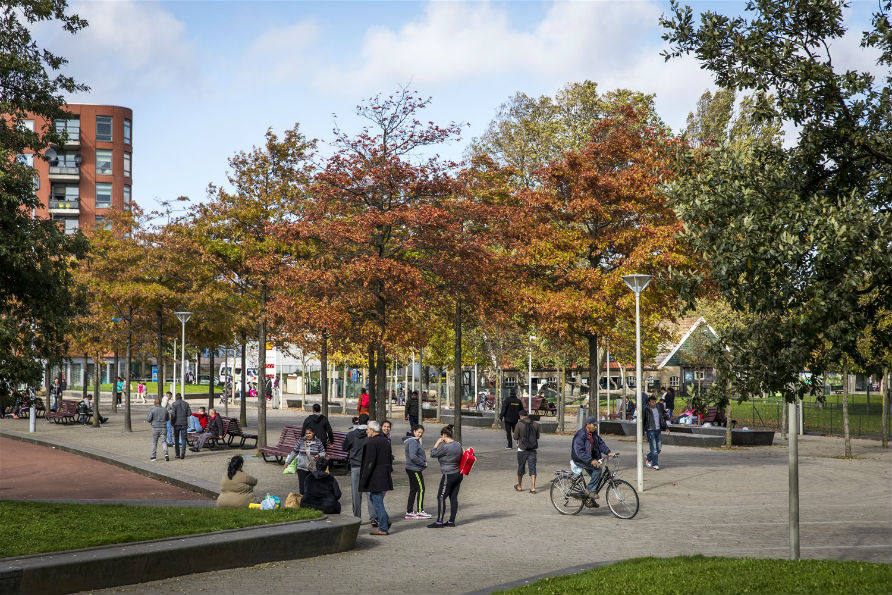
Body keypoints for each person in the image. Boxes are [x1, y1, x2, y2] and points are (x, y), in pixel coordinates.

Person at [359, 420, 393, 536]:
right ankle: (385, 520)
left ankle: (383, 527)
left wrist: (364, 479)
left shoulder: (371, 442)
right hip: (383, 474)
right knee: (375, 499)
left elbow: (369, 463)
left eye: (368, 429)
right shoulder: (385, 440)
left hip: (375, 476)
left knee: (377, 500)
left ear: (372, 430)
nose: (366, 430)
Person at [571, 417, 614, 504]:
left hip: (590, 459)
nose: (596, 427)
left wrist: (608, 452)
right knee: (598, 470)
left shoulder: (593, 434)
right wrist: (591, 460)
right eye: (594, 425)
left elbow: (600, 444)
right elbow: (579, 452)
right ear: (588, 425)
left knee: (597, 477)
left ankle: (589, 499)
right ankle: (589, 491)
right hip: (580, 459)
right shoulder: (580, 435)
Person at [428, 424, 463, 528]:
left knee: (441, 497)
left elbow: (433, 454)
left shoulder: (445, 447)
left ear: (444, 435)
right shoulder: (458, 444)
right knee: (453, 497)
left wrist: (437, 443)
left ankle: (439, 522)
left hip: (448, 475)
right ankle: (451, 521)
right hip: (458, 474)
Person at [342, 413, 370, 519]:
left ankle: (357, 516)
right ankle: (373, 517)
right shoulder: (370, 434)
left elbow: (344, 448)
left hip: (355, 466)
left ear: (358, 422)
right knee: (370, 493)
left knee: (356, 494)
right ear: (368, 422)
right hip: (368, 467)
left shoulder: (351, 435)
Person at [284, 427, 326, 495]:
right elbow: (294, 452)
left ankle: (311, 501)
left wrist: (318, 455)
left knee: (312, 486)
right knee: (302, 487)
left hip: (313, 468)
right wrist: (287, 462)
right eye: (306, 433)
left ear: (313, 433)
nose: (308, 435)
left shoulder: (318, 442)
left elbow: (323, 453)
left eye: (310, 433)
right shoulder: (301, 441)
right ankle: (302, 501)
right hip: (301, 467)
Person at [402, 424, 430, 519]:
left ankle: (409, 511)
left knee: (413, 490)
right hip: (414, 469)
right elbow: (413, 456)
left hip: (412, 468)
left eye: (422, 433)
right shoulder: (413, 442)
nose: (420, 434)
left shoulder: (413, 441)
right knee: (421, 489)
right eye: (418, 432)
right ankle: (419, 511)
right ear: (414, 431)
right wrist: (423, 463)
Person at [513, 410, 540, 493]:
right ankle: (533, 487)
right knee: (532, 467)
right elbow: (537, 437)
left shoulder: (519, 424)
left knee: (521, 466)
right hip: (532, 449)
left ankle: (519, 486)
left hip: (522, 449)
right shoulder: (535, 424)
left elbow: (515, 437)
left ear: (521, 416)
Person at [643, 394, 669, 470]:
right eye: (652, 402)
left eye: (654, 402)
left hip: (658, 430)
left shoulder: (659, 408)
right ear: (649, 402)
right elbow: (643, 421)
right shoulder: (646, 409)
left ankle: (648, 457)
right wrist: (642, 433)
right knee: (654, 448)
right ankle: (655, 464)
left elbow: (662, 419)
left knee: (658, 449)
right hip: (650, 430)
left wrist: (666, 427)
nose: (653, 403)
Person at [169, 393, 192, 459]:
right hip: (184, 423)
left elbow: (173, 415)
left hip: (176, 423)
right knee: (183, 438)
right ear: (181, 397)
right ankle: (183, 452)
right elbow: (189, 413)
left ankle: (177, 454)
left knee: (176, 438)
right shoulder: (186, 404)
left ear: (176, 398)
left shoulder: (174, 404)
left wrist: (172, 423)